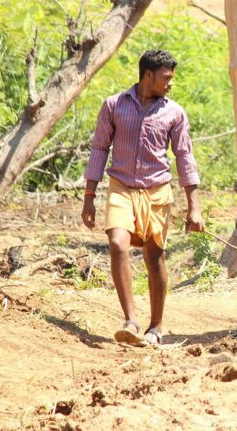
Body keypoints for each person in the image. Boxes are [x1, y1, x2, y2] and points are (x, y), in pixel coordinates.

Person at [81, 50, 205, 346]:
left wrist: (194, 207)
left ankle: (156, 325)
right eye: (166, 77)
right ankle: (130, 320)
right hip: (121, 186)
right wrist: (89, 195)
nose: (170, 83)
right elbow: (99, 148)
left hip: (157, 192)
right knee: (117, 244)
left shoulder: (174, 113)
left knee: (153, 256)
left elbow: (184, 156)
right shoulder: (113, 106)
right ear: (148, 75)